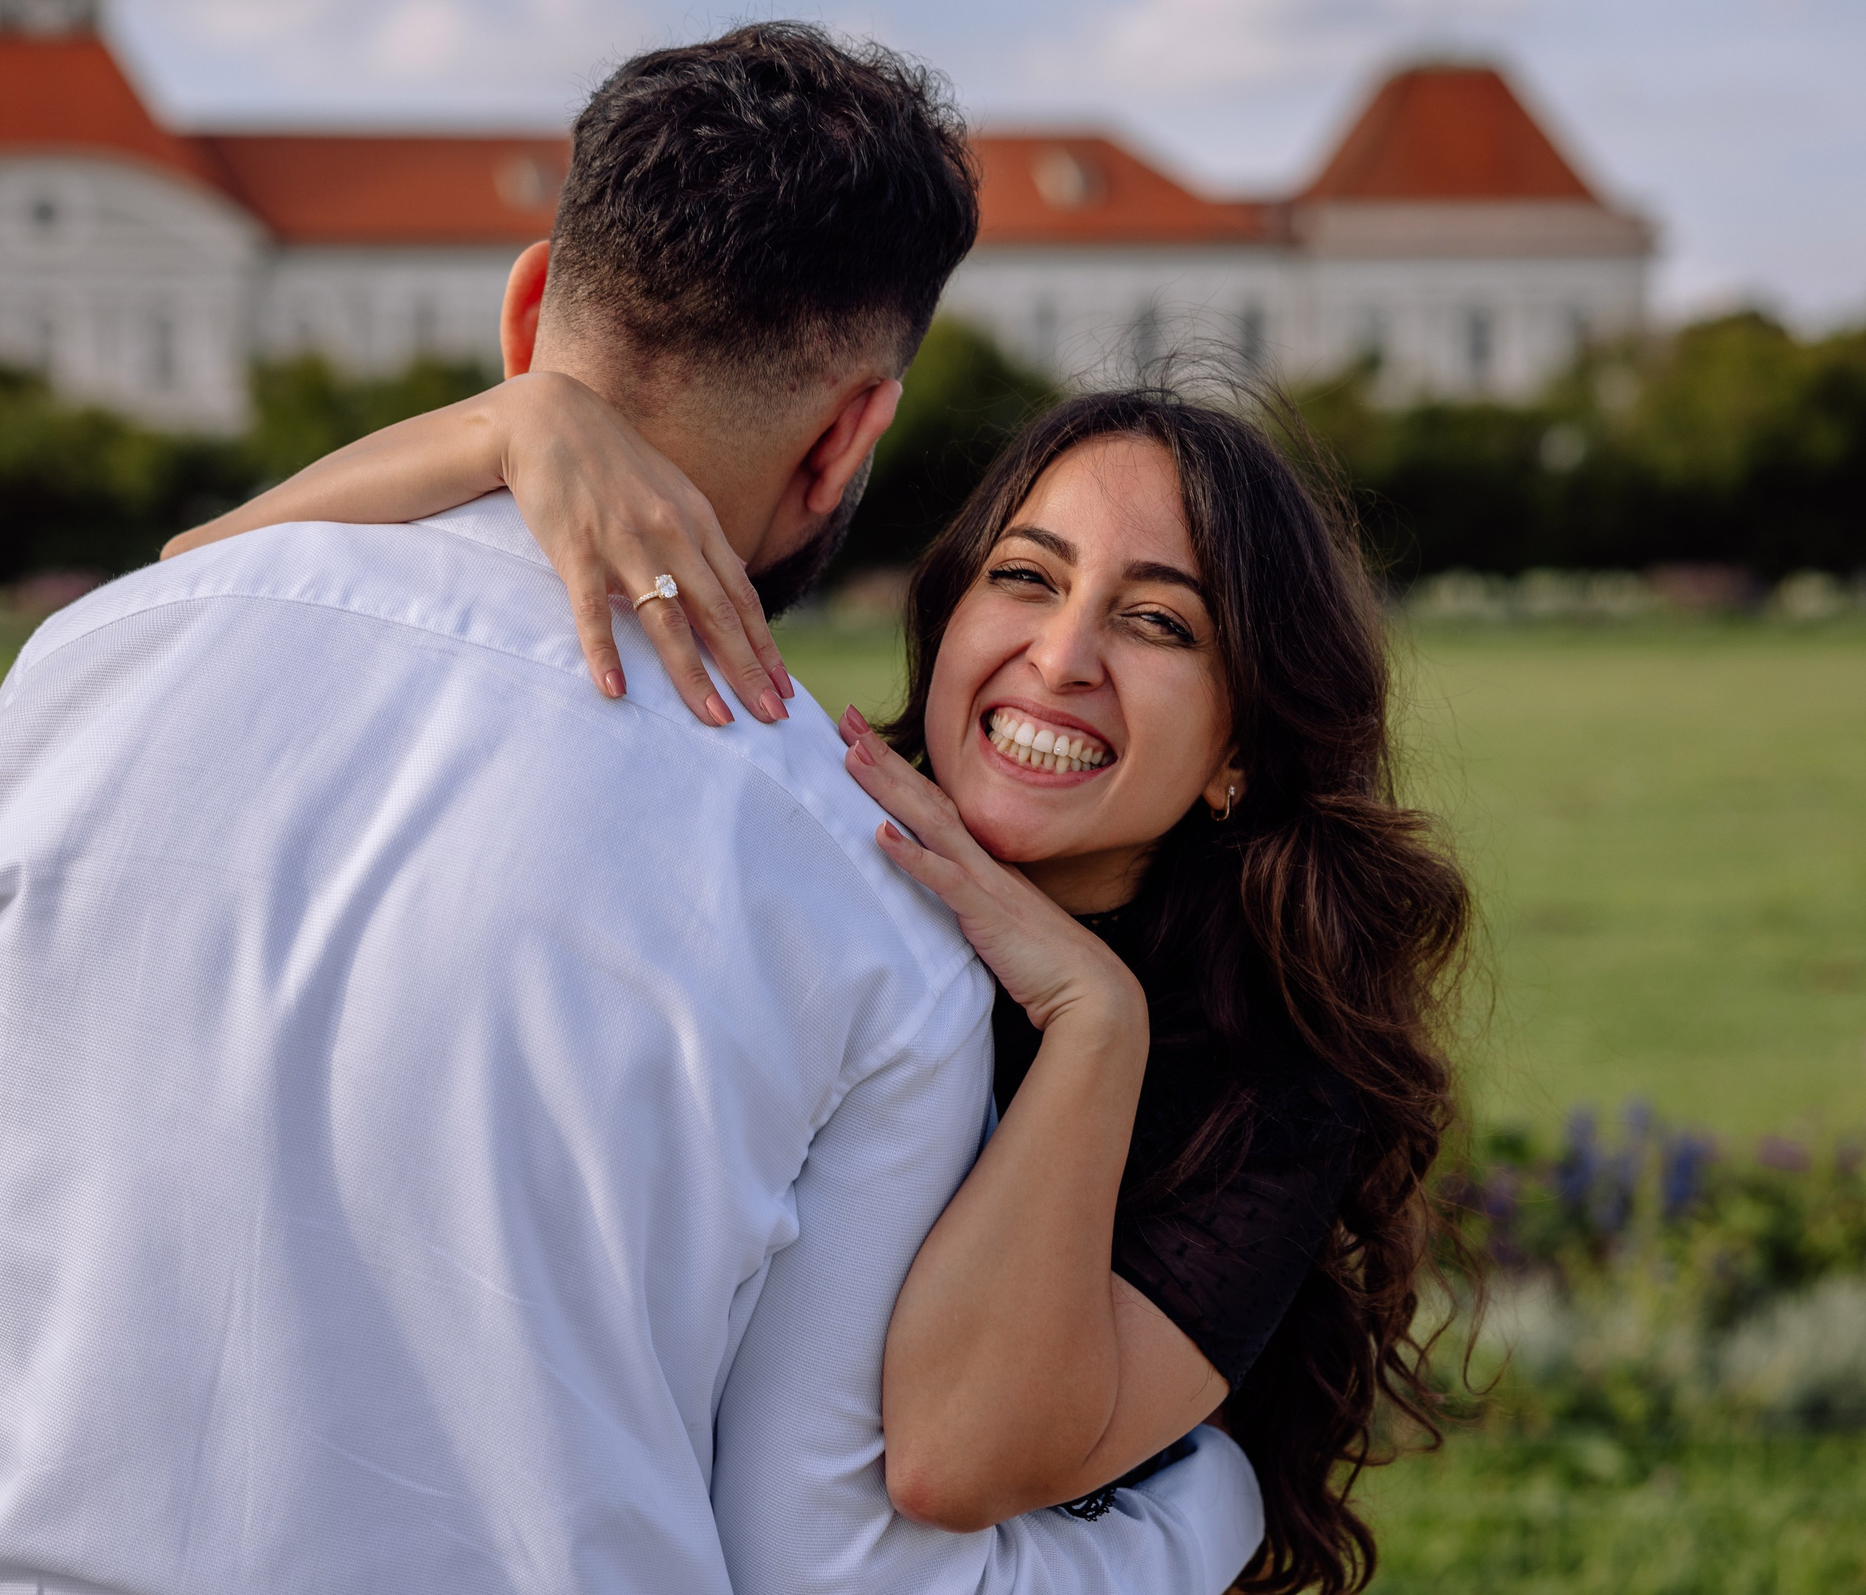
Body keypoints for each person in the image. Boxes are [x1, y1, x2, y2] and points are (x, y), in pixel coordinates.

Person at [0, 22, 1264, 1595]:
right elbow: (830, 1565)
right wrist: (1214, 1506)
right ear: (849, 437)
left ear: (533, 308)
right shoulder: (861, 888)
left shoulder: (84, 674)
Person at [175, 372, 1479, 1589]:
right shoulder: (786, 844)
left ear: (1235, 752)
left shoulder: (1263, 1085)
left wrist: (1093, 1028)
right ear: (950, 613)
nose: (1064, 656)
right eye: (1027, 578)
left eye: (1156, 621)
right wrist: (506, 428)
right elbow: (197, 584)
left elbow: (953, 1457)